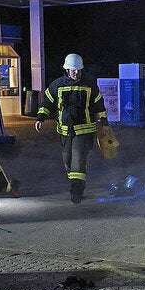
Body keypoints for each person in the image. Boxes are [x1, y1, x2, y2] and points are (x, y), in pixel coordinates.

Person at [35, 53, 108, 203]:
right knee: (67, 160)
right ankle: (77, 182)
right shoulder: (57, 85)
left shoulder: (89, 86)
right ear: (67, 70)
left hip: (85, 130)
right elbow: (47, 103)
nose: (76, 73)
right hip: (64, 131)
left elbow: (99, 105)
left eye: (79, 70)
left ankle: (77, 191)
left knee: (78, 159)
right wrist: (40, 118)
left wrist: (105, 123)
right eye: (73, 70)